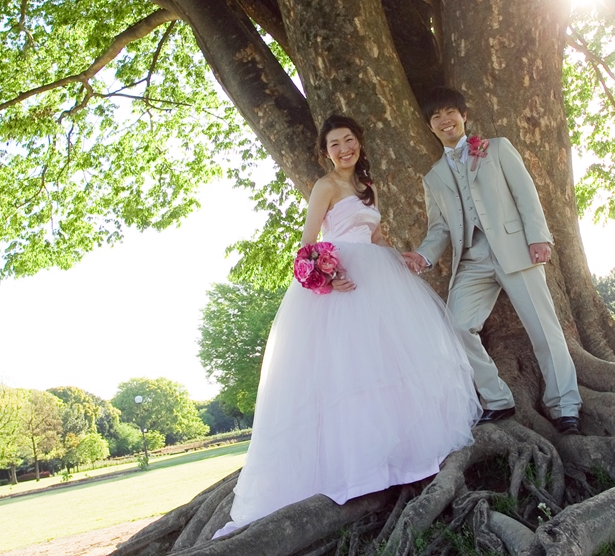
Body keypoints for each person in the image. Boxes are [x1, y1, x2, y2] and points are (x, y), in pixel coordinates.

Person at [213, 115, 481, 538]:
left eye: (350, 141)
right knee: (345, 371)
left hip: (376, 279)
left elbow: (370, 240)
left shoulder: (367, 188)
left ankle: (401, 460)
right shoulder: (326, 187)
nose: (343, 149)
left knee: (387, 366)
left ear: (360, 144)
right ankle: (356, 471)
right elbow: (308, 244)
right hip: (340, 285)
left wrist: (400, 257)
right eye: (335, 144)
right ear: (325, 151)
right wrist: (328, 274)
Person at [402, 88, 583, 435]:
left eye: (450, 112)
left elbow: (525, 192)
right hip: (472, 259)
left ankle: (565, 406)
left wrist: (538, 238)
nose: (444, 120)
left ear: (463, 115)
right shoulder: (433, 177)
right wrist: (423, 256)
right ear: (430, 126)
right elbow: (439, 228)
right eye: (436, 116)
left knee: (544, 330)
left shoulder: (496, 148)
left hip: (515, 249)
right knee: (456, 326)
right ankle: (498, 399)